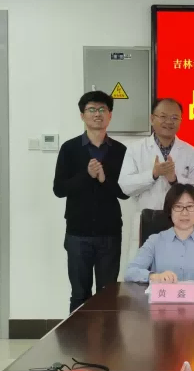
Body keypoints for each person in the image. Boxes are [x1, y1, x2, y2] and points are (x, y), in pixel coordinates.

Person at [53, 91, 129, 312]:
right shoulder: (69, 149)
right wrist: (86, 175)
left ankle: (107, 336)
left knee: (108, 295)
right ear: (82, 115)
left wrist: (104, 180)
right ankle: (77, 336)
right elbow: (59, 189)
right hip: (78, 233)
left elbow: (125, 193)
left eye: (103, 109)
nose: (97, 114)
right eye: (92, 109)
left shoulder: (120, 150)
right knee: (79, 294)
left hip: (109, 233)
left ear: (110, 115)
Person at [118, 98, 194, 268]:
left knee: (177, 272)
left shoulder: (192, 152)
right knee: (141, 274)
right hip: (146, 219)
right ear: (152, 118)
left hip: (180, 223)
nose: (169, 122)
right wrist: (153, 174)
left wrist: (174, 180)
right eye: (163, 116)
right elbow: (125, 186)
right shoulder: (135, 149)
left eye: (174, 118)